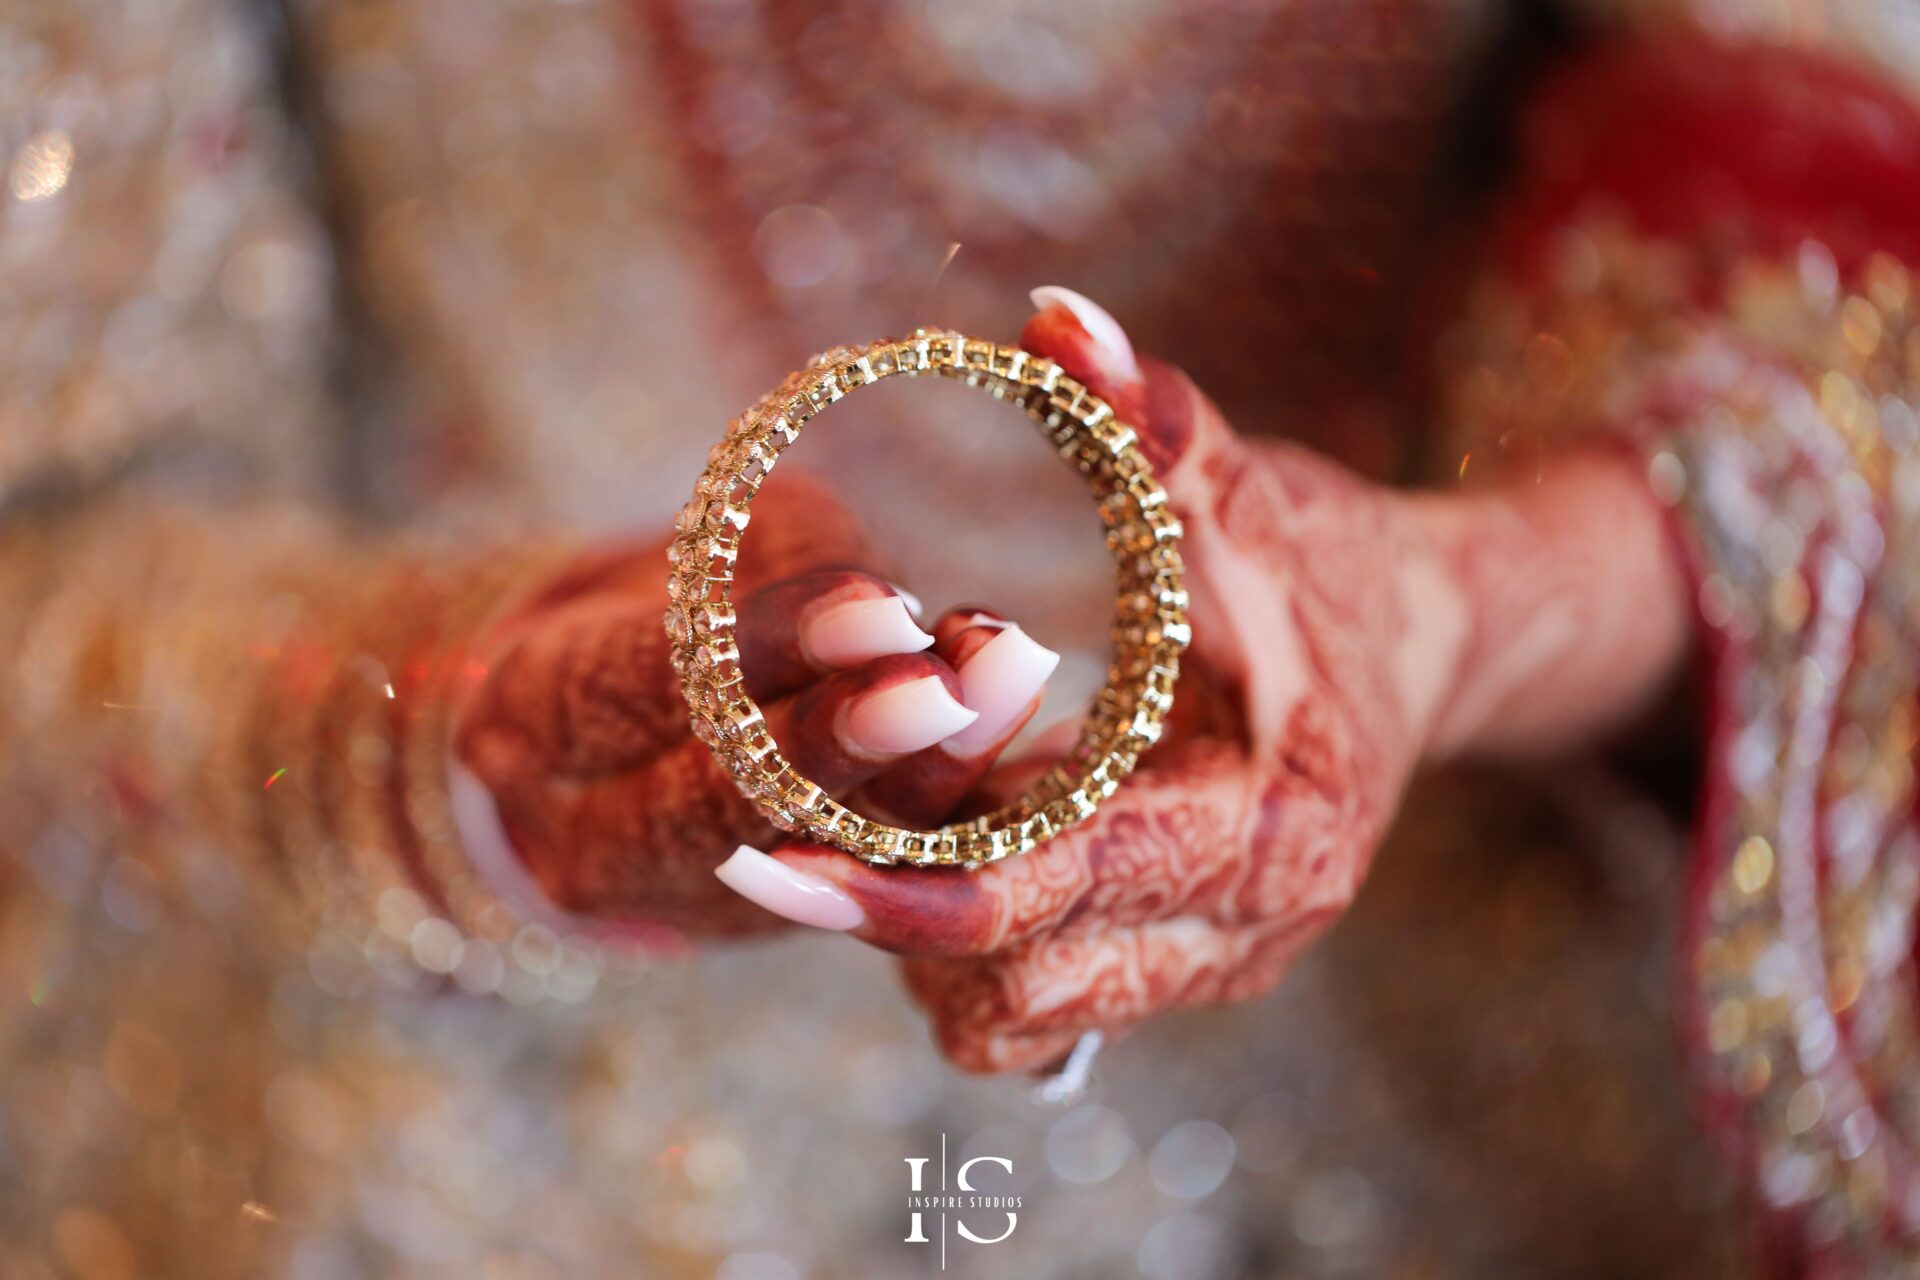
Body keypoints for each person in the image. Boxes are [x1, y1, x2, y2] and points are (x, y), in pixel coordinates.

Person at [3, 1, 1915, 1274]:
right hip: (461, 1124)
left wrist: (1458, 608)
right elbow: (64, 523)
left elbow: (1842, 334)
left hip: (1430, 1079)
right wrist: (447, 745)